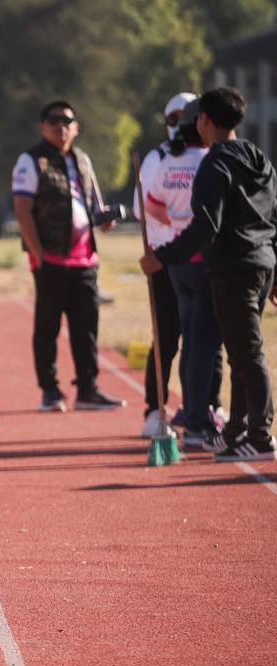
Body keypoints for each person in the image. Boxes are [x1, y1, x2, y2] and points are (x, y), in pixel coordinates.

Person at [141, 86, 277, 462]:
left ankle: (261, 436)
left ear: (204, 121)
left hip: (233, 268)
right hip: (261, 263)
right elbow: (272, 217)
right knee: (237, 351)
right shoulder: (259, 158)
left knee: (247, 353)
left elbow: (206, 229)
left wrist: (163, 256)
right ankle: (236, 429)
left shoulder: (213, 166)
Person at [12, 100, 124, 412]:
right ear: (42, 126)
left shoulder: (83, 160)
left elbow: (94, 204)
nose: (61, 125)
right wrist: (39, 254)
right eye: (53, 120)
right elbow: (22, 211)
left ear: (76, 127)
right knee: (47, 327)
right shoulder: (31, 161)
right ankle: (50, 390)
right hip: (50, 260)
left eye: (67, 120)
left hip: (85, 260)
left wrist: (105, 219)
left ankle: (87, 389)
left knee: (86, 325)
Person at [142, 98, 223, 449]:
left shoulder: (167, 162)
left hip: (175, 260)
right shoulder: (209, 161)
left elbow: (150, 205)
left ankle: (196, 412)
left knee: (189, 340)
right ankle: (196, 417)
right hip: (202, 261)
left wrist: (176, 223)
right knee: (202, 343)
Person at [134, 93, 194, 437]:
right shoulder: (156, 159)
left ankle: (202, 408)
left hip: (201, 262)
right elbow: (145, 210)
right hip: (164, 261)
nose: (180, 126)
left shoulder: (207, 156)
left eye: (187, 118)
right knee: (167, 338)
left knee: (202, 341)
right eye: (174, 119)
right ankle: (154, 411)